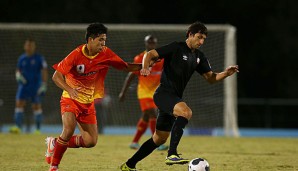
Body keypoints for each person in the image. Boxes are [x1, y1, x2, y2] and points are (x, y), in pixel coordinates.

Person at [120, 21, 239, 171]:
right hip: (163, 94)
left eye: (204, 39)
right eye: (199, 37)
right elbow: (150, 54)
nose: (201, 41)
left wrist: (226, 74)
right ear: (190, 35)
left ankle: (129, 165)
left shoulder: (199, 57)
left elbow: (211, 78)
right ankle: (172, 154)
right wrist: (144, 68)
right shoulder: (176, 47)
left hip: (172, 98)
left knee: (158, 138)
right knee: (186, 112)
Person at [46, 23, 142, 171]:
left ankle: (55, 143)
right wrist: (69, 89)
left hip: (88, 103)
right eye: (100, 40)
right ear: (90, 40)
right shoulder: (76, 54)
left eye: (105, 40)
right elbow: (56, 76)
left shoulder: (105, 53)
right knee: (69, 129)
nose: (103, 44)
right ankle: (54, 167)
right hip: (70, 99)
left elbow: (125, 66)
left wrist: (144, 66)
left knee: (90, 141)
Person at [119, 35, 168, 151]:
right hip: (143, 92)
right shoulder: (140, 58)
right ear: (145, 44)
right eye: (149, 43)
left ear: (155, 44)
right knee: (152, 113)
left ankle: (134, 142)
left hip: (155, 92)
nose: (151, 45)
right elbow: (131, 75)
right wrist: (123, 92)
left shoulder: (161, 59)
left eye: (153, 43)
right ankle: (157, 142)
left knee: (146, 116)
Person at [9, 38, 48, 134]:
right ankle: (18, 128)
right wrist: (18, 75)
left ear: (34, 47)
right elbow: (18, 70)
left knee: (36, 106)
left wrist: (43, 84)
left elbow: (44, 71)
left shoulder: (39, 58)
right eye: (28, 45)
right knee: (19, 104)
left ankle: (38, 129)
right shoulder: (21, 58)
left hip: (35, 86)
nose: (29, 47)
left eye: (31, 45)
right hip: (24, 86)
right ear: (25, 46)